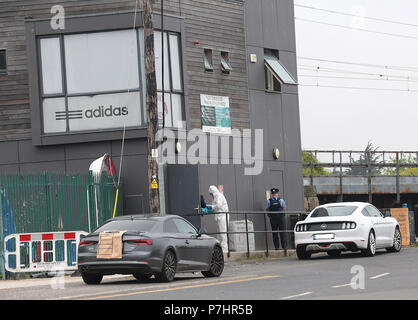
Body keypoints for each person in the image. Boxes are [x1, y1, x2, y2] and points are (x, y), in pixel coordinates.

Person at [205, 185, 229, 253]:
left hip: (222, 216)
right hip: (218, 217)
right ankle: (220, 249)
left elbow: (218, 206)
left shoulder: (219, 196)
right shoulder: (215, 198)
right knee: (219, 234)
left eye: (211, 194)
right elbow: (215, 207)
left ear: (213, 192)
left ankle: (225, 250)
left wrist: (211, 207)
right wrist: (208, 208)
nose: (211, 195)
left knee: (223, 233)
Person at [266, 188, 287, 253]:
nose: (274, 195)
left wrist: (281, 214)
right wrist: (270, 216)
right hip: (273, 218)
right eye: (273, 194)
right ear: (272, 194)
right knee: (275, 233)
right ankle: (277, 247)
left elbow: (284, 208)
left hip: (280, 218)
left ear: (277, 194)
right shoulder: (269, 201)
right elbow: (267, 209)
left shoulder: (281, 200)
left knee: (282, 232)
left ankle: (284, 247)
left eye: (275, 194)